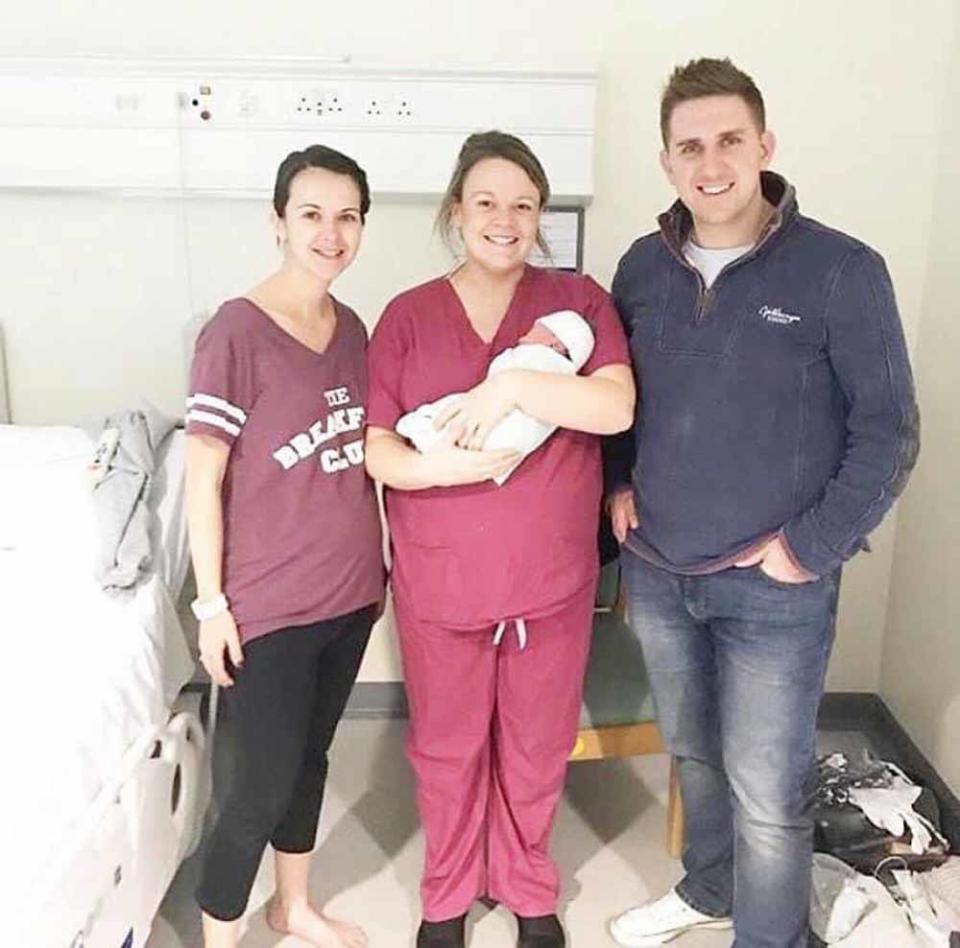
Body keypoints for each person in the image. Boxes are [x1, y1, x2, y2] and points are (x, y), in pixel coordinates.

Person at [605, 58, 919, 948]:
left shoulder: (841, 271)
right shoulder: (642, 267)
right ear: (667, 162)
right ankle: (710, 889)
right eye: (690, 146)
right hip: (663, 576)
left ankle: (769, 935)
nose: (712, 163)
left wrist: (808, 549)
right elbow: (616, 394)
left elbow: (890, 431)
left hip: (776, 589)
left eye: (729, 140)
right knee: (697, 757)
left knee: (767, 787)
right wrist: (616, 484)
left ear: (765, 147)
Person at [364, 130, 634, 948]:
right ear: (457, 211)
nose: (505, 219)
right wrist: (448, 470)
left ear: (541, 216)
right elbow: (379, 449)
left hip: (550, 581)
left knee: (535, 744)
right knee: (446, 747)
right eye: (486, 201)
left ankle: (526, 884)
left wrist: (517, 383)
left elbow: (615, 408)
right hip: (441, 582)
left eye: (523, 204)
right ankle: (446, 894)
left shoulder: (578, 303)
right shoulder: (408, 316)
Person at [185, 144, 384, 948]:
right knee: (254, 788)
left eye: (347, 217)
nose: (330, 233)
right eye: (311, 214)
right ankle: (217, 936)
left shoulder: (354, 329)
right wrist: (211, 606)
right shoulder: (236, 333)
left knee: (309, 762)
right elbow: (202, 479)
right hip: (268, 606)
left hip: (351, 596)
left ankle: (293, 906)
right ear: (277, 223)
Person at [396, 309, 595, 484]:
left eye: (540, 327)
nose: (531, 328)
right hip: (508, 447)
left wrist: (508, 385)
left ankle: (426, 432)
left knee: (450, 414)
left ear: (555, 344)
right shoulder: (560, 374)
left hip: (503, 426)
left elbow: (503, 376)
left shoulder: (541, 361)